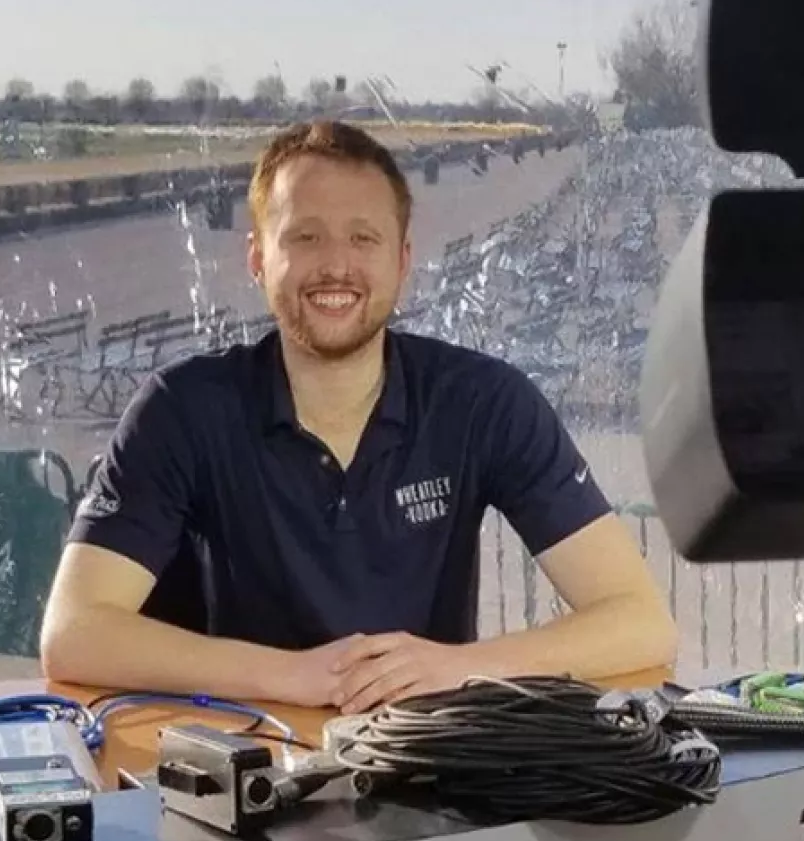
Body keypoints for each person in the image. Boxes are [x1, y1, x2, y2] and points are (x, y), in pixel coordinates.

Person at [40, 121, 677, 714]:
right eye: (304, 236)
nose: (336, 265)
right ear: (258, 257)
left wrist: (458, 668)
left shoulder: (483, 401)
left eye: (362, 237)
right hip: (247, 763)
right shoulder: (182, 408)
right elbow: (73, 632)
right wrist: (291, 675)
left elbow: (639, 621)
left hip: (424, 758)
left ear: (402, 260)